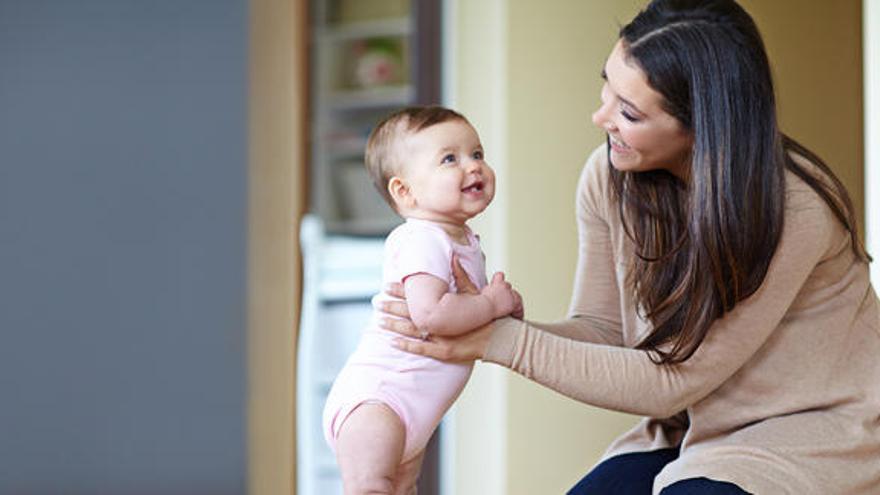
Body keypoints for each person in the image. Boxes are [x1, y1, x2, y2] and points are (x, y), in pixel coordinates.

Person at [381, 1, 880, 493]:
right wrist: (489, 325)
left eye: (629, 111)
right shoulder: (610, 176)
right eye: (608, 85)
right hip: (690, 429)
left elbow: (674, 379)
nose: (600, 117)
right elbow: (605, 331)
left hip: (811, 433)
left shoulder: (792, 207)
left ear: (701, 126)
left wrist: (496, 342)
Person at [322, 106, 523, 495]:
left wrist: (502, 312)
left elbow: (469, 320)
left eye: (477, 154)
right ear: (405, 191)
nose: (473, 166)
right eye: (450, 159)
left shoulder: (460, 240)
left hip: (413, 411)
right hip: (378, 401)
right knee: (370, 487)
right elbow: (431, 315)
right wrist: (492, 305)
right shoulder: (422, 239)